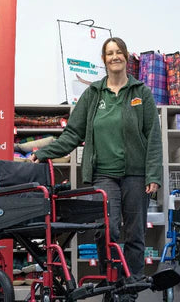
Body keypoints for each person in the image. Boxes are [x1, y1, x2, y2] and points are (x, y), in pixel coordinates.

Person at [30, 37, 162, 290]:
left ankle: (131, 287)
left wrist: (153, 175)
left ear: (125, 57)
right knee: (106, 230)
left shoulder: (141, 92)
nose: (115, 57)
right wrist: (46, 152)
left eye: (119, 52)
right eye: (109, 53)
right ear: (104, 60)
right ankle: (111, 283)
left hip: (136, 176)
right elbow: (72, 134)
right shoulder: (93, 94)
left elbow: (154, 137)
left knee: (135, 234)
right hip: (103, 176)